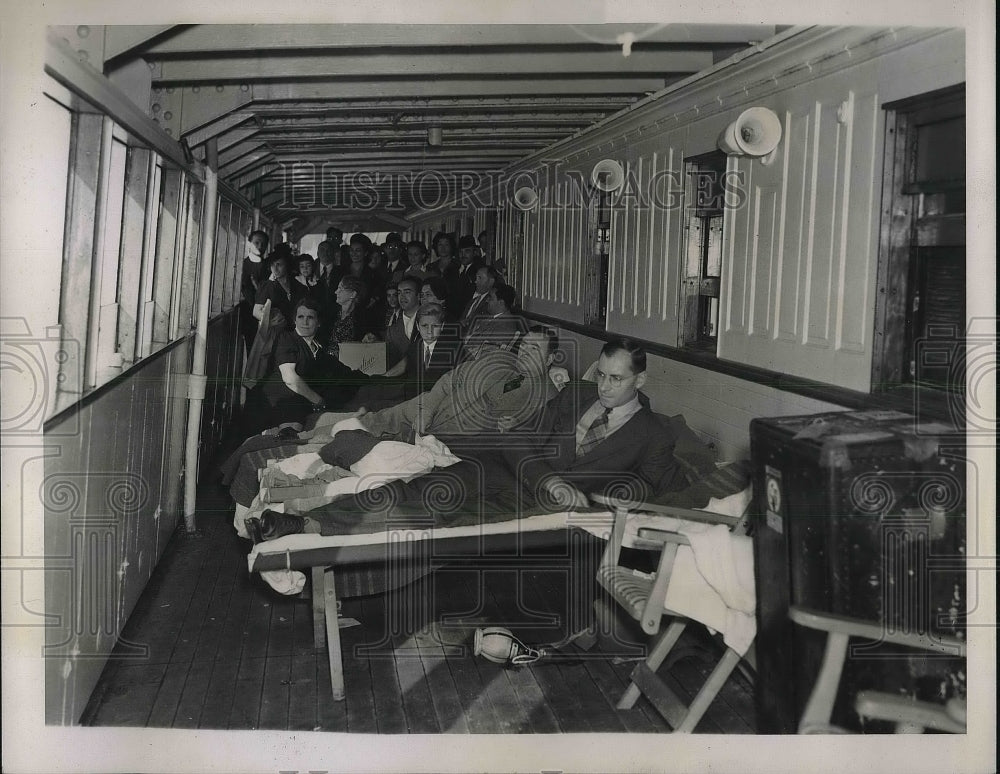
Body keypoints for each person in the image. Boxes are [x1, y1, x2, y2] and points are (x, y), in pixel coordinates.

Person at [499, 338, 686, 510]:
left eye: (616, 378)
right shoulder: (574, 395)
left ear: (640, 380)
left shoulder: (654, 435)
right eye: (601, 375)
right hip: (510, 488)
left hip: (561, 521)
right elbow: (515, 438)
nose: (603, 387)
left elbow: (662, 492)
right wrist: (551, 482)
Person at [241, 298, 363, 437]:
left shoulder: (318, 349)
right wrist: (318, 401)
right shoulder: (286, 339)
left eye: (310, 317)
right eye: (300, 317)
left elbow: (341, 371)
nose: (305, 322)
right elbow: (290, 379)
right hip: (274, 404)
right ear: (294, 320)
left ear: (318, 323)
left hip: (297, 403)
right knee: (290, 431)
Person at [462, 283, 527, 360]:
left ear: (501, 303)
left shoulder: (505, 326)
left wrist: (463, 346)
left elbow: (486, 356)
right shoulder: (493, 318)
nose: (486, 300)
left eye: (490, 298)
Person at [253, 251, 303, 329]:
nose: (275, 268)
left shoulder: (297, 285)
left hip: (296, 330)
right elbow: (256, 312)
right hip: (275, 331)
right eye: (272, 265)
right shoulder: (267, 286)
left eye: (278, 265)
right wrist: (270, 321)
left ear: (287, 265)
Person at [239, 229, 270, 352]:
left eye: (263, 244)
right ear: (249, 243)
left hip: (266, 312)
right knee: (250, 348)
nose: (260, 246)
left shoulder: (269, 266)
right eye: (257, 242)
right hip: (247, 313)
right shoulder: (242, 265)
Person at [384, 276, 421, 369]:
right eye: (399, 292)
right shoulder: (392, 330)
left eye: (407, 292)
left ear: (419, 295)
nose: (402, 296)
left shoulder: (431, 321)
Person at [459, 265, 498, 334]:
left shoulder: (492, 302)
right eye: (476, 277)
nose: (475, 281)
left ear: (491, 281)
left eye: (479, 278)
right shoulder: (473, 300)